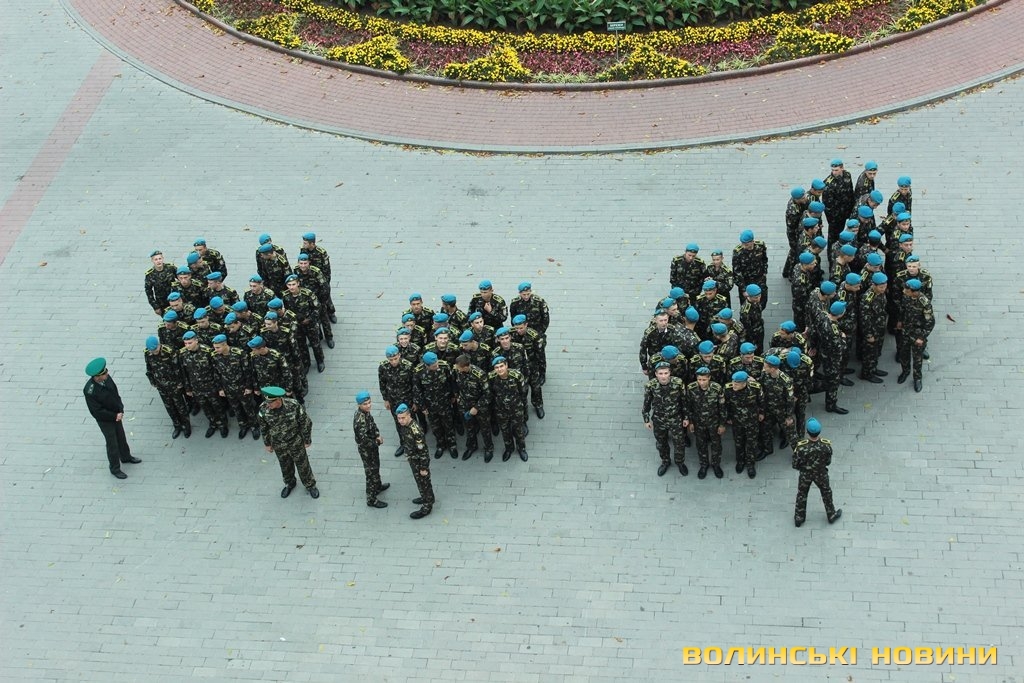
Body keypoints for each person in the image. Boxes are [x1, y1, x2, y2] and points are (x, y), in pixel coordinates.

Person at [83, 358, 141, 479]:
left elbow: (115, 394)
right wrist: (114, 416)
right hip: (105, 420)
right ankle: (115, 468)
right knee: (112, 443)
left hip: (116, 414)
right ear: (97, 377)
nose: (107, 374)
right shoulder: (90, 391)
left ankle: (125, 457)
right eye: (104, 373)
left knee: (121, 437)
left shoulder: (107, 379)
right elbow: (96, 412)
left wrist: (120, 409)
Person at [257, 386, 318, 499]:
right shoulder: (263, 409)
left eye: (270, 402)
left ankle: (310, 485)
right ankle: (290, 483)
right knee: (285, 466)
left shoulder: (293, 405)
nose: (268, 405)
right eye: (267, 402)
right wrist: (267, 444)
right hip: (278, 444)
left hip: (295, 441)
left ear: (278, 400)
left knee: (303, 465)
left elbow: (306, 422)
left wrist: (307, 440)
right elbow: (264, 427)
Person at [792, 418, 842, 527]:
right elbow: (828, 462)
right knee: (826, 492)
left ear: (807, 431)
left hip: (805, 474)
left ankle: (799, 518)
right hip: (821, 473)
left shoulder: (801, 447)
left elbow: (795, 464)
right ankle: (831, 515)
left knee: (802, 494)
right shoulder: (826, 445)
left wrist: (804, 468)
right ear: (819, 431)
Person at [642, 362, 689, 477]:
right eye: (660, 373)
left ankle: (680, 462)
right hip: (659, 419)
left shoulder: (678, 383)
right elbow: (646, 403)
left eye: (666, 373)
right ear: (656, 374)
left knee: (679, 443)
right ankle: (665, 461)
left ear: (670, 373)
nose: (663, 376)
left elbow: (684, 401)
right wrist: (646, 420)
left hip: (675, 418)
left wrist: (686, 417)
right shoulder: (651, 386)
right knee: (661, 443)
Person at [143, 335, 191, 439]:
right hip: (161, 385)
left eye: (156, 349)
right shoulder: (147, 353)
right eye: (152, 351)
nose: (154, 352)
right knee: (169, 407)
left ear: (159, 344)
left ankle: (186, 426)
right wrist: (152, 381)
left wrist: (179, 383)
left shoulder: (169, 352)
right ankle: (177, 425)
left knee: (180, 406)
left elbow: (178, 368)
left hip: (173, 385)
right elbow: (149, 368)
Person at [395, 403, 434, 519]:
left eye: (403, 418)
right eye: (399, 418)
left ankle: (427, 506)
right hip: (413, 459)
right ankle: (427, 497)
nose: (400, 421)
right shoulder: (404, 426)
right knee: (420, 482)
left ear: (409, 415)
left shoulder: (415, 430)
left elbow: (423, 451)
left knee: (424, 482)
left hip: (419, 462)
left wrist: (424, 467)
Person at [685, 366, 725, 479]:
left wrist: (722, 424)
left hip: (713, 422)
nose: (701, 382)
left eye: (704, 379)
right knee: (701, 444)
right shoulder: (691, 388)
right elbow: (688, 406)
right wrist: (691, 422)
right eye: (699, 379)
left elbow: (722, 408)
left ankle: (716, 464)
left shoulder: (717, 388)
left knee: (716, 444)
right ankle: (704, 464)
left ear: (709, 378)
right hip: (698, 422)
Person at [378, 345, 417, 457]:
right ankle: (403, 444)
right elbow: (382, 383)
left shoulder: (408, 366)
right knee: (399, 422)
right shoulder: (383, 367)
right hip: (393, 400)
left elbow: (414, 385)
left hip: (407, 400)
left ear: (399, 355)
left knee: (411, 421)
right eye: (391, 360)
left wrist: (415, 401)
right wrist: (385, 399)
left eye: (395, 358)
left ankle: (415, 442)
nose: (394, 362)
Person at [897, 278, 935, 392]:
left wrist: (921, 338)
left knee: (917, 358)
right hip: (906, 331)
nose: (904, 291)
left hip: (917, 334)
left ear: (914, 292)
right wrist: (900, 321)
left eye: (907, 290)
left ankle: (917, 378)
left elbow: (930, 323)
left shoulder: (924, 303)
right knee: (904, 353)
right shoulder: (906, 297)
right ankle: (905, 371)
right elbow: (902, 309)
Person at [454, 354, 494, 461]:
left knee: (485, 429)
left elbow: (488, 394)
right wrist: (457, 396)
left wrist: (476, 408)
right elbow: (456, 385)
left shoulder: (480, 374)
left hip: (480, 407)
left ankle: (489, 448)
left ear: (466, 367)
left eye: (459, 368)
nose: (457, 369)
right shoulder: (458, 371)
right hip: (465, 405)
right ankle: (472, 446)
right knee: (469, 428)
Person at [353, 391, 390, 508]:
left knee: (376, 468)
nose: (368, 405)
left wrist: (377, 434)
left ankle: (377, 486)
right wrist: (377, 442)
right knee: (370, 474)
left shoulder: (366, 413)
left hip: (372, 447)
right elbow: (364, 440)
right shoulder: (360, 420)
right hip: (367, 450)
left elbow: (373, 425)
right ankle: (371, 499)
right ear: (359, 405)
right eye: (365, 404)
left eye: (369, 402)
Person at [490, 356, 528, 462]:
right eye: (496, 367)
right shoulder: (491, 377)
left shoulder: (517, 376)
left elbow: (523, 392)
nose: (499, 369)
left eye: (501, 366)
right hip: (501, 409)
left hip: (516, 408)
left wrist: (522, 408)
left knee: (518, 430)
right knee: (505, 430)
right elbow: (491, 393)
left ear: (506, 365)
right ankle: (509, 448)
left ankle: (521, 448)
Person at [144, 250, 178, 316]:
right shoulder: (150, 275)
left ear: (163, 259)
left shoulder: (171, 268)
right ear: (152, 261)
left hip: (175, 299)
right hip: (162, 303)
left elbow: (181, 278)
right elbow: (149, 292)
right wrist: (155, 306)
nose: (158, 261)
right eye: (156, 259)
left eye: (160, 258)